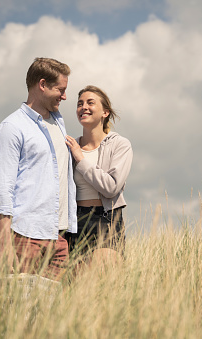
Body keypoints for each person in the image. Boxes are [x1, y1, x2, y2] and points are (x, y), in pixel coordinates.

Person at [0, 57, 77, 281]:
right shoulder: (11, 128)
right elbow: (3, 187)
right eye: (61, 89)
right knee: (20, 310)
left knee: (54, 312)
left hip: (57, 237)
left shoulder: (59, 122)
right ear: (42, 85)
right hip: (24, 236)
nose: (65, 96)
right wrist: (4, 241)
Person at [65, 85, 133, 267]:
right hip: (74, 221)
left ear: (105, 112)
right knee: (76, 285)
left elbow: (111, 187)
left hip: (105, 219)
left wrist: (80, 159)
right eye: (80, 104)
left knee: (103, 274)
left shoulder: (120, 145)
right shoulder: (69, 147)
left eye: (90, 103)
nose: (83, 107)